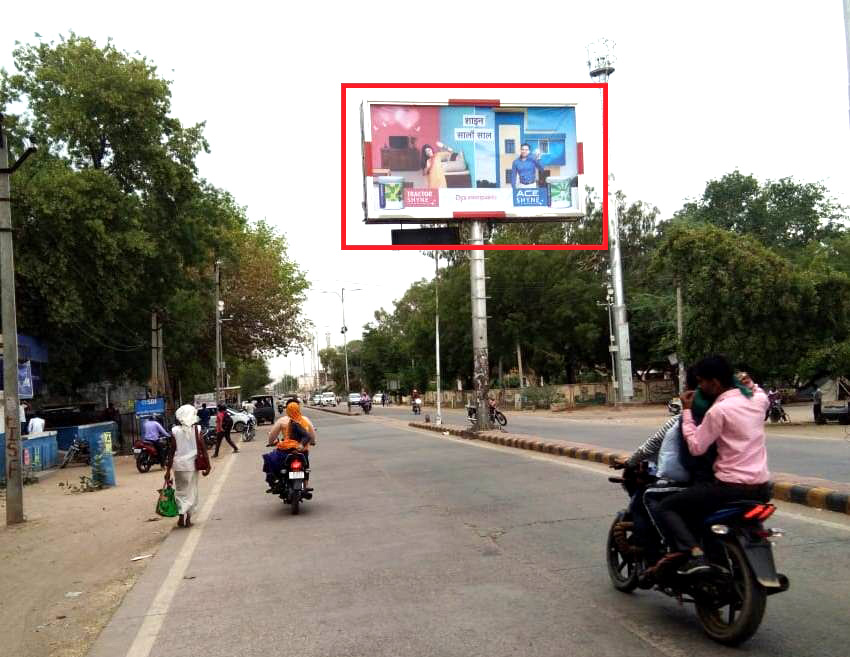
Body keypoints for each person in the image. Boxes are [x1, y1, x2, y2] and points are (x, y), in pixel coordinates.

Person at [654, 355, 770, 576]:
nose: (700, 388)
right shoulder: (758, 400)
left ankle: (694, 553)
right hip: (762, 489)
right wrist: (750, 383)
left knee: (667, 507)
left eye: (702, 382)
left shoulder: (718, 410)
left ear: (714, 383)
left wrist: (686, 411)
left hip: (727, 488)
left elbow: (696, 447)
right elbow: (758, 390)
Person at [164, 404, 211, 528]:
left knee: (180, 491)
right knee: (191, 492)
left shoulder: (175, 431)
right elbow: (203, 449)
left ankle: (181, 518)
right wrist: (208, 465)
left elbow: (171, 452)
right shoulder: (197, 429)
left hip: (178, 466)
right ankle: (188, 519)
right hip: (191, 466)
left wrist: (168, 470)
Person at [263, 401, 315, 493]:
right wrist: (312, 442)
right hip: (303, 451)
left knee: (270, 459)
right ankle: (305, 485)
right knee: (306, 467)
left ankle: (276, 481)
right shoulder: (305, 420)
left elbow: (272, 436)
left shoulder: (287, 421)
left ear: (287, 410)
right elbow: (312, 434)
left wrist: (271, 442)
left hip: (290, 449)